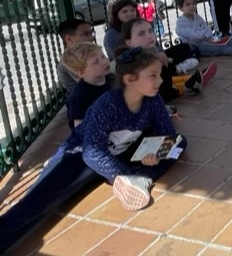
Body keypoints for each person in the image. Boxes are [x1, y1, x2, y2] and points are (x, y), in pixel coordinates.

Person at [0, 48, 186, 253]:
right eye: (153, 75)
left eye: (159, 74)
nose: (160, 80)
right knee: (39, 201)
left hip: (120, 151)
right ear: (130, 79)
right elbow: (92, 151)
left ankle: (140, 179)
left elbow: (166, 134)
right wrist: (122, 174)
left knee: (178, 143)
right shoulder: (107, 104)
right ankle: (126, 178)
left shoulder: (153, 99)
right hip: (80, 155)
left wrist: (155, 153)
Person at [119, 18, 211, 102]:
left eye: (150, 31)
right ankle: (188, 85)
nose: (149, 36)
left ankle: (189, 80)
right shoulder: (132, 62)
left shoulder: (151, 52)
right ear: (129, 42)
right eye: (141, 34)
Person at [61, 42, 113, 130]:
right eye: (96, 62)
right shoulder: (78, 96)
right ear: (81, 72)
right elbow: (79, 126)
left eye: (103, 56)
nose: (104, 61)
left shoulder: (113, 79)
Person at [56, 18, 95, 92]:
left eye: (91, 33)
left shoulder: (84, 52)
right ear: (68, 39)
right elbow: (92, 82)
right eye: (86, 34)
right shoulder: (69, 60)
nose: (92, 38)